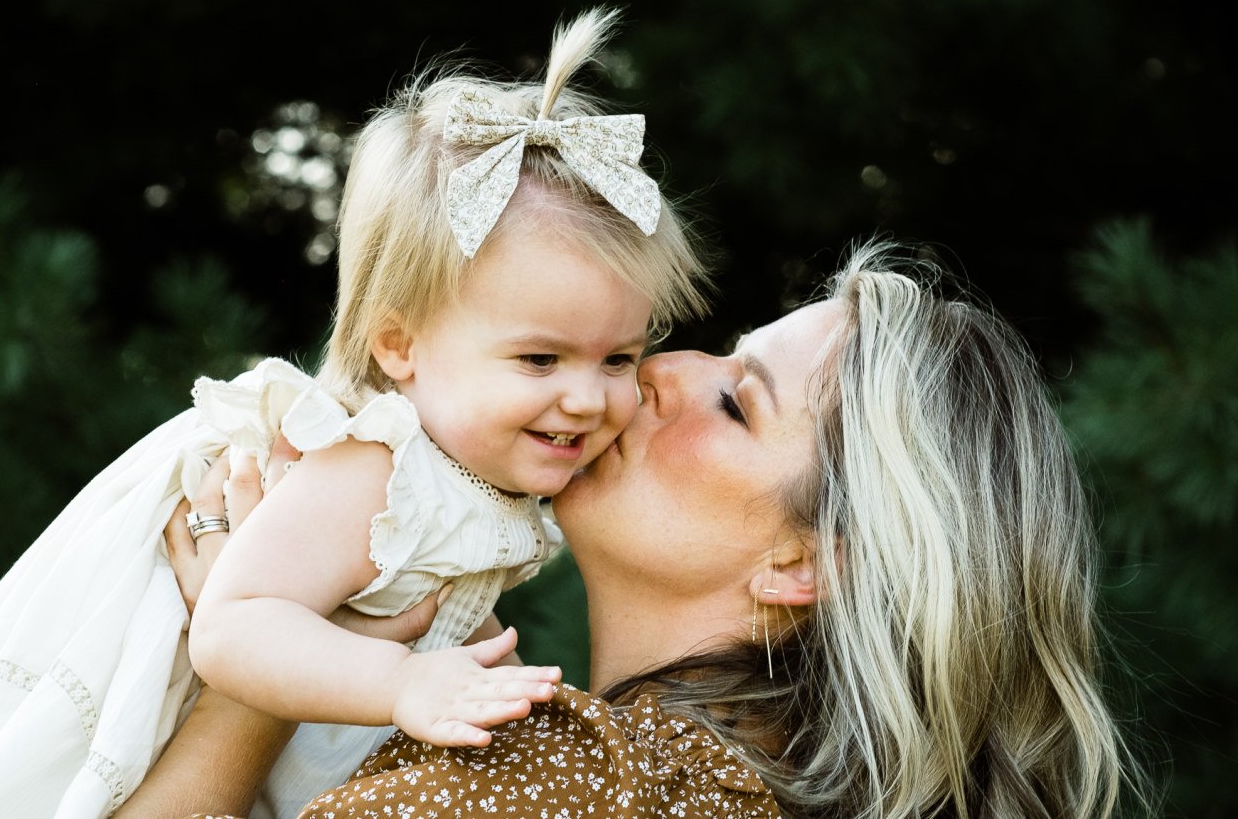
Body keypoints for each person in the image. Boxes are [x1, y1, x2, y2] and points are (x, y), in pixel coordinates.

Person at [0, 9, 710, 819]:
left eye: (619, 358)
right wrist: (405, 681)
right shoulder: (376, 467)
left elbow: (426, 602)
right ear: (399, 345)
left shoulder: (461, 470)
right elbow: (232, 627)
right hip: (147, 706)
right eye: (539, 359)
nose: (588, 398)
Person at [143, 247, 1146, 818]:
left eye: (735, 404)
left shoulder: (564, 786)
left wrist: (248, 662)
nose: (660, 370)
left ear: (804, 563)